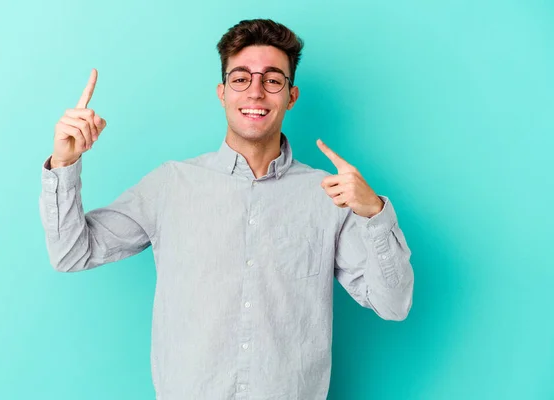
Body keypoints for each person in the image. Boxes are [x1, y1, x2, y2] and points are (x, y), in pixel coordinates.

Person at [39, 18, 414, 400]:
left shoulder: (329, 195)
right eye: (240, 79)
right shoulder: (170, 184)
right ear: (222, 92)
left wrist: (373, 213)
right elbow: (71, 253)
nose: (255, 92)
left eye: (272, 80)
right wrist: (65, 161)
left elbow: (393, 304)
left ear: (291, 95)